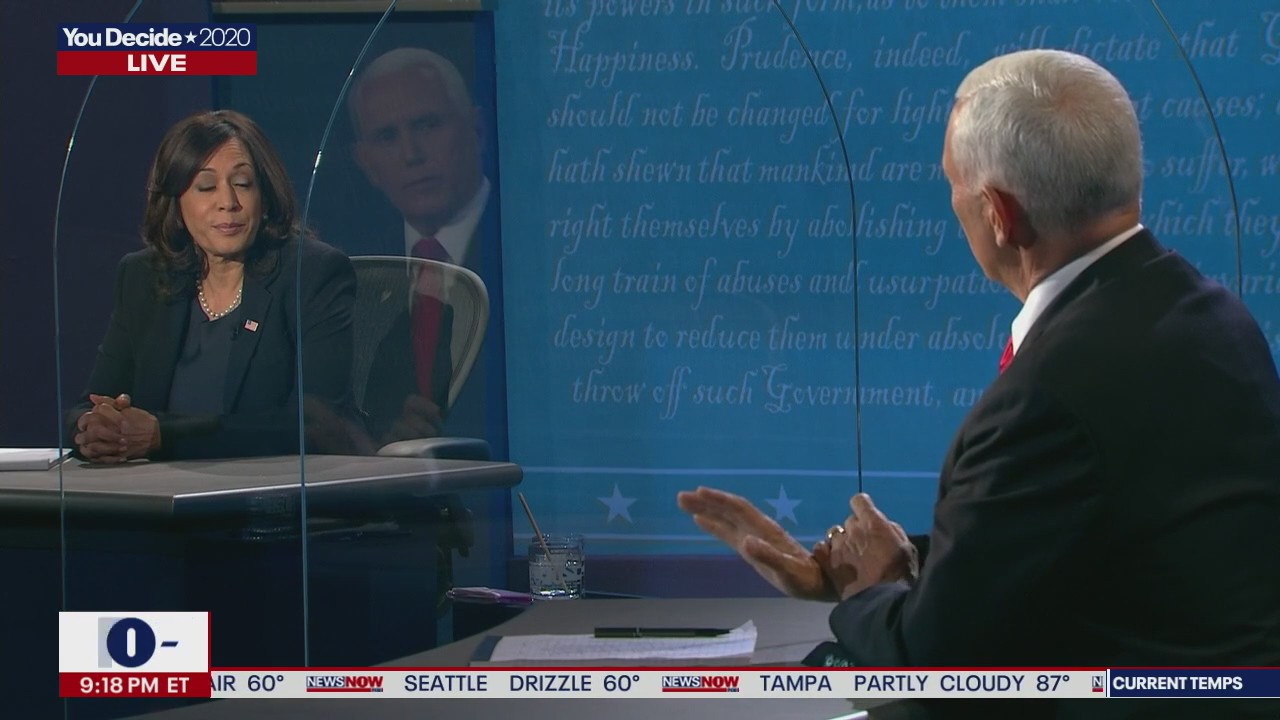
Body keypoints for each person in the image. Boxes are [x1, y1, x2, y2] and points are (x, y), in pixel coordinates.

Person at [679, 49, 1280, 718]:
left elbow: (935, 666)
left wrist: (865, 591)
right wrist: (886, 564)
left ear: (998, 213)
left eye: (952, 184)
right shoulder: (1215, 317)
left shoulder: (1047, 394)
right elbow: (1091, 530)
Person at [69, 109, 359, 462]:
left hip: (266, 489)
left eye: (243, 184)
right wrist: (94, 428)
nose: (228, 203)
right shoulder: (143, 276)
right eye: (206, 187)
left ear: (265, 196)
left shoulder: (312, 274)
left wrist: (163, 437)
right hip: (156, 492)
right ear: (176, 202)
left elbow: (314, 425)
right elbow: (91, 403)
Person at [344, 46, 500, 448]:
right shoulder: (347, 271)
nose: (412, 154)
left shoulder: (526, 243)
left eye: (428, 125)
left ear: (478, 131)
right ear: (366, 164)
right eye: (387, 137)